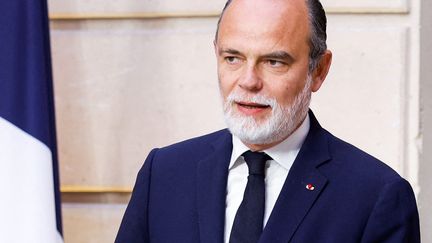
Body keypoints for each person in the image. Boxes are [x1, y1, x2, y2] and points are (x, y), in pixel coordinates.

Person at [115, 0, 421, 242]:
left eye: (274, 61)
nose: (248, 81)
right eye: (232, 58)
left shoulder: (377, 196)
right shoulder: (164, 173)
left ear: (319, 70)